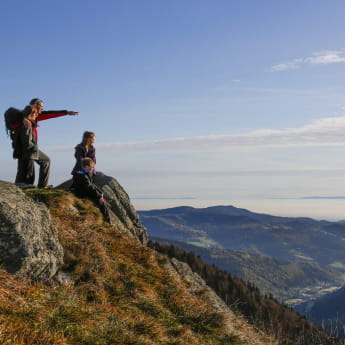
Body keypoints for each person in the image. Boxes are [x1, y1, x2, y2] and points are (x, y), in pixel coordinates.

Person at [15, 98, 78, 187]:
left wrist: (66, 112)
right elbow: (14, 115)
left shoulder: (36, 116)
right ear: (34, 106)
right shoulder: (24, 117)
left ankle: (39, 186)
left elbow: (51, 113)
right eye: (41, 106)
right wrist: (24, 118)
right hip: (26, 147)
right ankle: (28, 187)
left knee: (40, 163)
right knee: (29, 168)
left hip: (32, 147)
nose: (42, 108)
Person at [72, 157, 111, 222]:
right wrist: (99, 196)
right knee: (103, 205)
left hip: (84, 193)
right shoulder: (83, 176)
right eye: (92, 167)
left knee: (105, 203)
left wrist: (100, 193)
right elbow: (89, 188)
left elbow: (92, 185)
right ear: (87, 166)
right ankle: (107, 222)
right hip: (82, 195)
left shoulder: (83, 174)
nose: (93, 169)